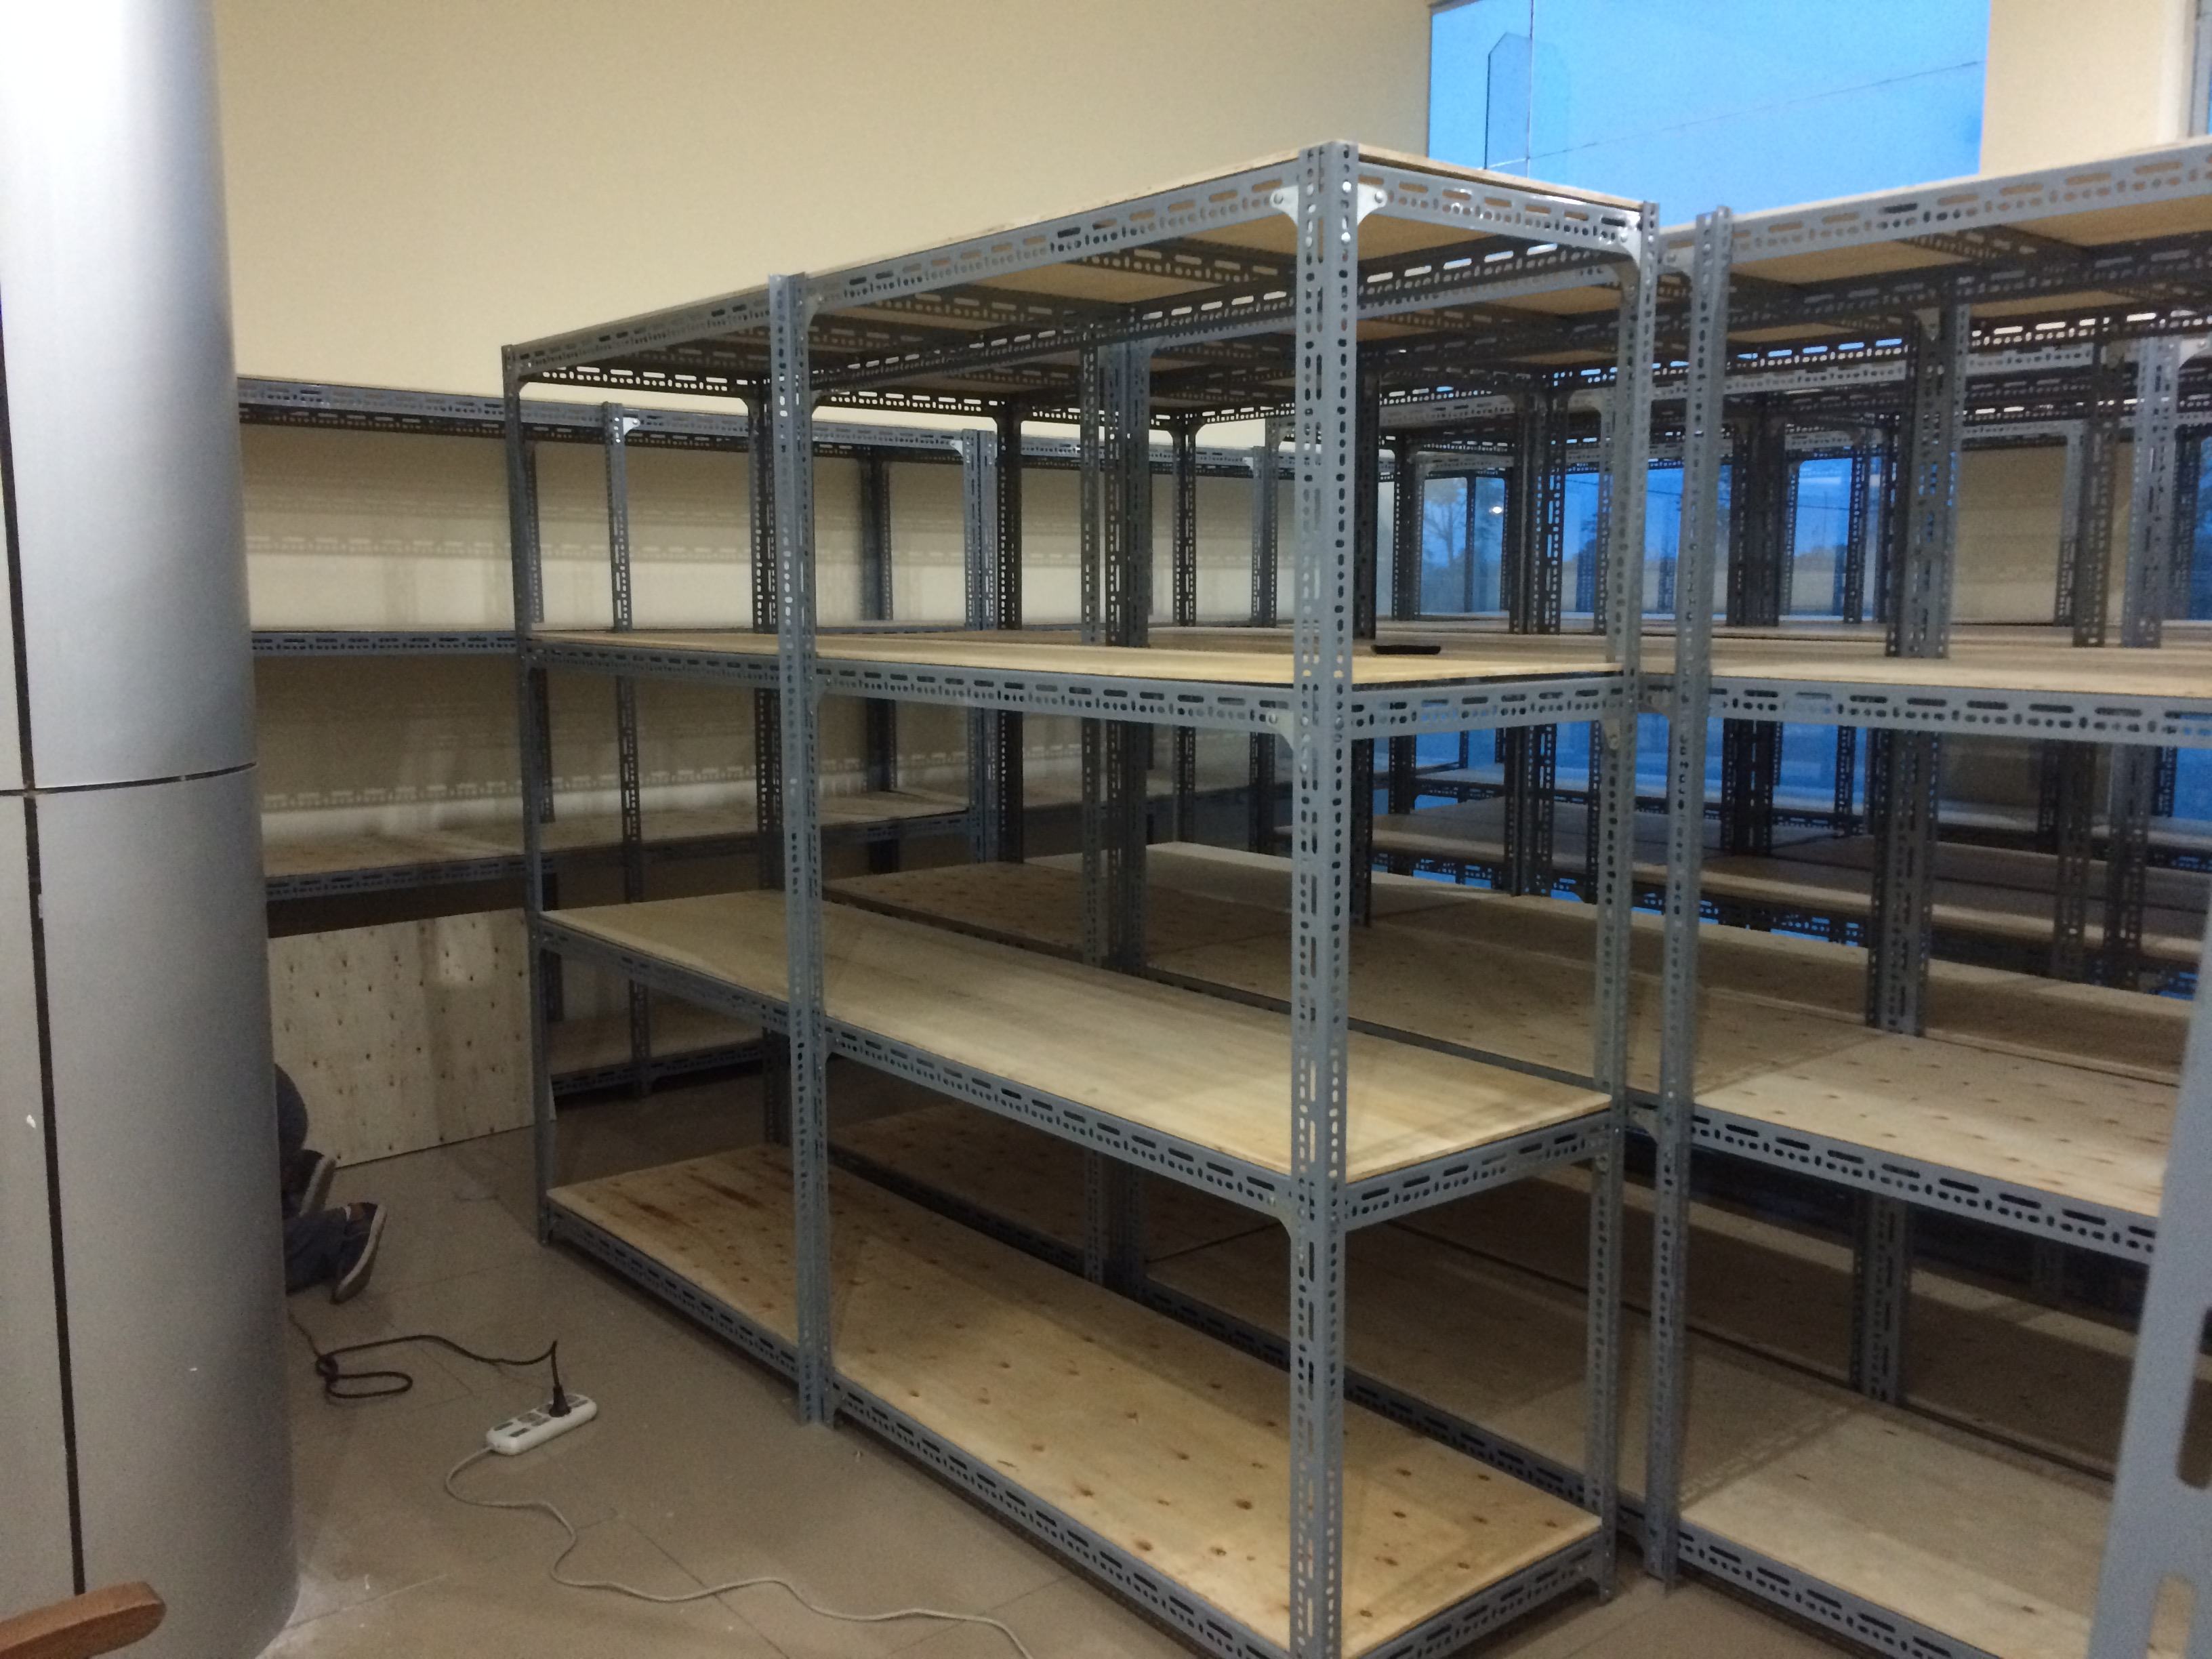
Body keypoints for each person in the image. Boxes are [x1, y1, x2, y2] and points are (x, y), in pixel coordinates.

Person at [276, 1066, 384, 1302]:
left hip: (267, 1123)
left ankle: (345, 1230)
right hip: (266, 1119)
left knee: (231, 1270)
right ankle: (290, 1189)